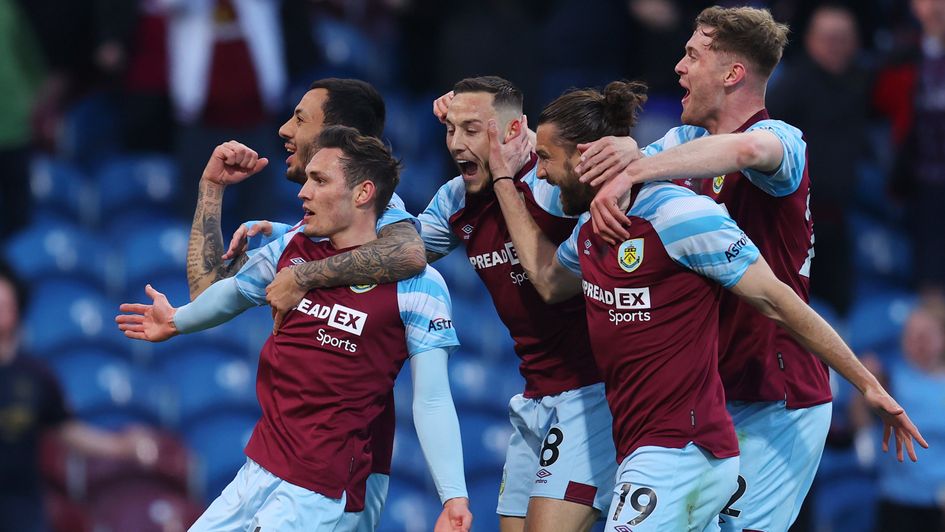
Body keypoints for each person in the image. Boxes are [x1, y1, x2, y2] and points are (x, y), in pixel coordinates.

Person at [486, 82, 927, 532]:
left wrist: (867, 384)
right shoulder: (587, 233)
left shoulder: (682, 215)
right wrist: (503, 180)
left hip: (683, 449)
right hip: (645, 446)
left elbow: (778, 300)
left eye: (545, 159)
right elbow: (544, 278)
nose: (539, 175)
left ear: (584, 157)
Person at [567, 6, 859, 530]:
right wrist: (621, 155)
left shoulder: (783, 142)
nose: (679, 67)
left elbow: (747, 149)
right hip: (719, 391)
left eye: (693, 55)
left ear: (733, 74)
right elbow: (645, 158)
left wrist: (634, 167)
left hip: (779, 395)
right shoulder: (686, 144)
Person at [116, 126, 472, 532]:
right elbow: (231, 292)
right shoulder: (294, 247)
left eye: (319, 181)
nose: (302, 192)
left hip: (319, 488)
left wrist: (453, 497)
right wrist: (178, 320)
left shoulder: (419, 286)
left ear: (363, 193)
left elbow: (432, 400)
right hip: (259, 469)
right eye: (306, 180)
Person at [186, 77, 424, 530]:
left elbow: (410, 253)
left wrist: (301, 275)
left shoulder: (380, 217)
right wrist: (212, 190)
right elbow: (207, 292)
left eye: (300, 118)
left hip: (343, 469)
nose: (282, 129)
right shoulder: (308, 229)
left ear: (342, 136)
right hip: (289, 459)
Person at [417, 76, 616, 532]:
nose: (456, 144)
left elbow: (551, 283)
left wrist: (513, 155)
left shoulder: (554, 184)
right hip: (534, 397)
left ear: (513, 132)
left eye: (472, 130)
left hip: (592, 392)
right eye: (451, 130)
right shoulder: (456, 199)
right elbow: (400, 250)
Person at [0, 260, 157, 532]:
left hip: (20, 506)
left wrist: (120, 446)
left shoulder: (35, 374)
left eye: (5, 304)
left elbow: (65, 428)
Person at [767, 4, 870, 316]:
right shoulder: (789, 86)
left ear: (855, 43)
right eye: (828, 38)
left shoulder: (862, 82)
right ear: (811, 40)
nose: (835, 46)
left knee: (841, 310)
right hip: (793, 218)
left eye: (842, 39)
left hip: (840, 219)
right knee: (793, 307)